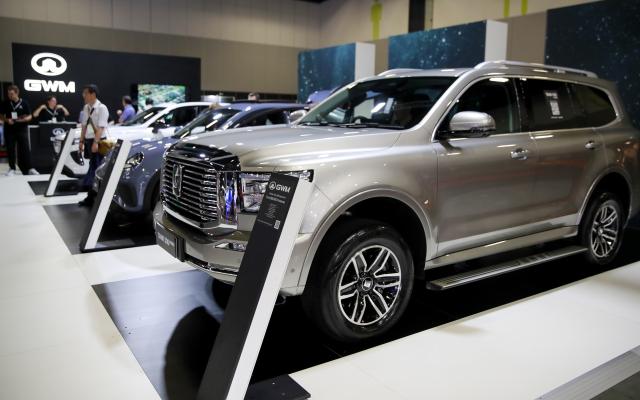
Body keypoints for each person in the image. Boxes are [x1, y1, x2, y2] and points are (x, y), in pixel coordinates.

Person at [78, 84, 109, 207]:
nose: (83, 96)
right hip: (90, 141)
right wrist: (81, 141)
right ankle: (91, 197)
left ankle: (92, 195)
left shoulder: (102, 108)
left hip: (99, 141)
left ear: (93, 94)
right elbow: (84, 126)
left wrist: (96, 143)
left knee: (97, 169)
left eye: (85, 93)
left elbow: (101, 128)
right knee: (94, 168)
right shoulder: (86, 107)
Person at [0, 85, 38, 176]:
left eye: (12, 94)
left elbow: (30, 116)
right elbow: (0, 115)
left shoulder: (24, 103)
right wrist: (6, 120)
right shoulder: (6, 103)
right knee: (10, 149)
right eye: (8, 94)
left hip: (22, 129)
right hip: (9, 130)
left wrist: (24, 120)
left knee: (25, 149)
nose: (10, 96)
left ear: (17, 93)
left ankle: (30, 168)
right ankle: (12, 168)